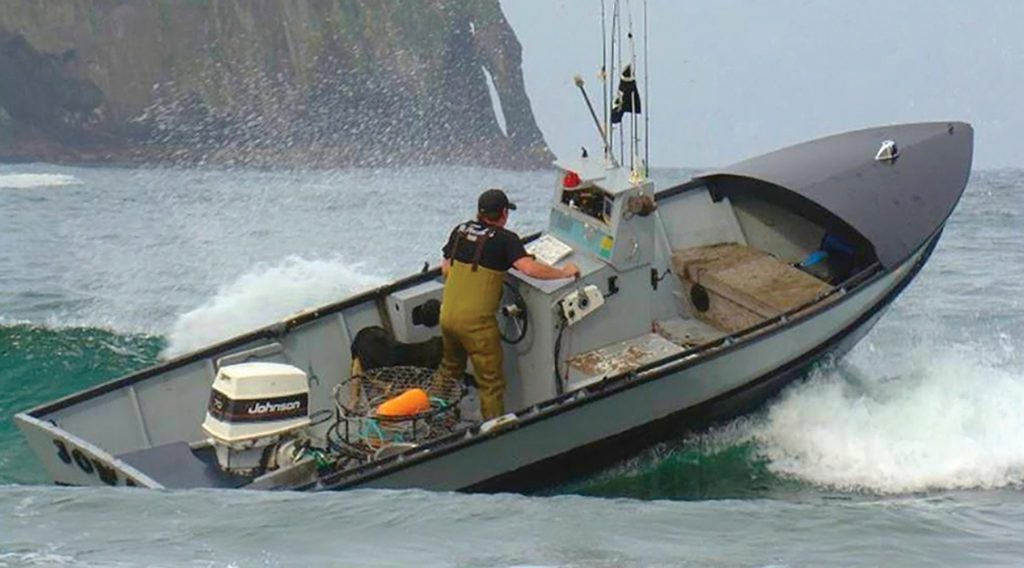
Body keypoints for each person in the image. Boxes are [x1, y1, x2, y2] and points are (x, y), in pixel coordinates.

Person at [439, 188, 579, 420]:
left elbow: (446, 269)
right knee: (491, 384)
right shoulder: (506, 240)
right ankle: (494, 435)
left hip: (447, 316)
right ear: (504, 213)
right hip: (476, 327)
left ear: (479, 212)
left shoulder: (460, 230)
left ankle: (430, 416)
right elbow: (529, 268)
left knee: (449, 369)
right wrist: (564, 272)